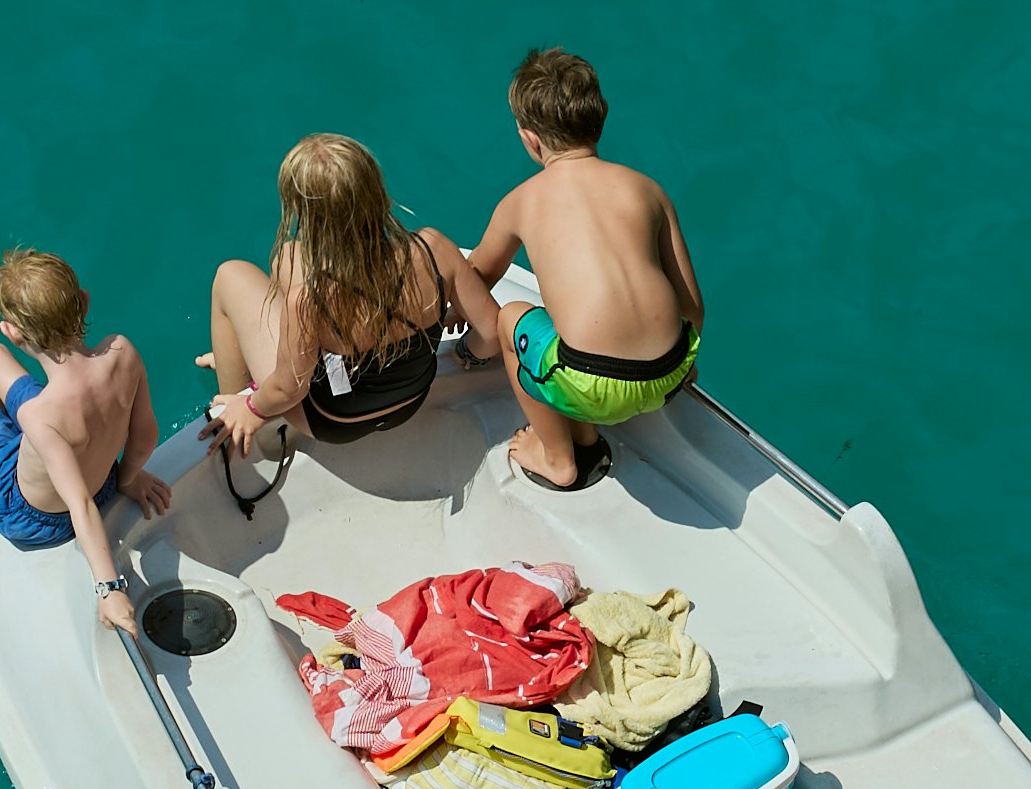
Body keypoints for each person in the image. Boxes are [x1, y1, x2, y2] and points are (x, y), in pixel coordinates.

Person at [465, 47, 704, 492]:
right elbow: (693, 307)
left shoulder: (521, 201)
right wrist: (682, 368)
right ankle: (583, 426)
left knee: (512, 319)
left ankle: (556, 457)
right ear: (603, 114)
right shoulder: (647, 190)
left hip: (590, 389)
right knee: (580, 340)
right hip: (672, 377)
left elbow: (476, 276)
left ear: (529, 139)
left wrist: (468, 342)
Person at [0, 248, 170, 637]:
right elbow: (146, 433)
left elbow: (78, 504)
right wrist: (128, 480)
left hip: (32, 514)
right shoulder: (123, 352)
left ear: (12, 332)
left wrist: (109, 588)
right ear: (83, 302)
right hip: (104, 484)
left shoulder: (39, 415)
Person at [205, 134, 504, 456]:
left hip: (333, 421)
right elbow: (491, 332)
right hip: (410, 400)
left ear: (304, 213)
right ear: (376, 189)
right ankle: (255, 352)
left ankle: (233, 408)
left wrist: (253, 408)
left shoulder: (308, 302)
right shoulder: (433, 249)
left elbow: (287, 390)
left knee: (230, 275)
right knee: (288, 257)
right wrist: (466, 353)